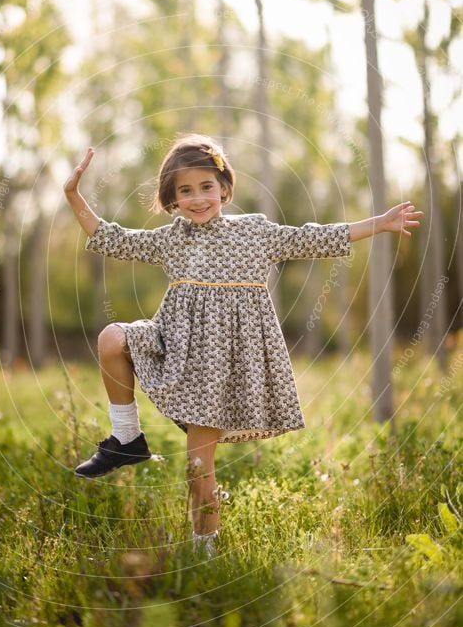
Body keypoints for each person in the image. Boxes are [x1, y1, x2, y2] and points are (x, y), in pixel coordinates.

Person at [63, 133, 423, 558]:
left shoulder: (254, 232)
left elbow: (313, 238)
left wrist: (379, 223)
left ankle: (204, 553)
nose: (197, 198)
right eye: (185, 190)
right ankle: (126, 439)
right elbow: (111, 237)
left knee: (198, 469)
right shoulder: (171, 238)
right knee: (111, 337)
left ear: (225, 189)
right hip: (176, 351)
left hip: (219, 371)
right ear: (172, 199)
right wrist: (73, 195)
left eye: (206, 187)